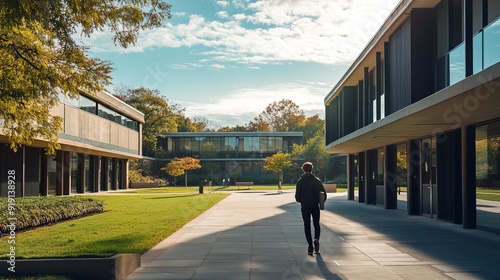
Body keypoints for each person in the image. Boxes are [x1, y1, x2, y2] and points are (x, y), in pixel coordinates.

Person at [295, 162, 327, 256]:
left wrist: (303, 200)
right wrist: (319, 201)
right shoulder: (316, 181)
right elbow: (323, 194)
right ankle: (316, 239)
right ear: (311, 169)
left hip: (305, 206)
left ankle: (310, 246)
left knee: (307, 225)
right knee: (316, 224)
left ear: (303, 169)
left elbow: (297, 197)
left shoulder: (300, 181)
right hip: (314, 205)